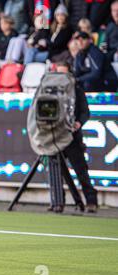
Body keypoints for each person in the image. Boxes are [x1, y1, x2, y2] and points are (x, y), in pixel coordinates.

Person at [54, 61, 98, 213]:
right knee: (56, 172)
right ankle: (58, 202)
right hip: (55, 137)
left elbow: (85, 112)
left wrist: (79, 123)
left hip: (72, 137)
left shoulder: (77, 90)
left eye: (64, 74)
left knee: (81, 170)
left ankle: (91, 201)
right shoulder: (50, 91)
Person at [104, 0, 118, 65]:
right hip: (111, 55)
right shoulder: (110, 26)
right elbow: (104, 43)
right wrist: (102, 53)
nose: (116, 13)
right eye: (114, 10)